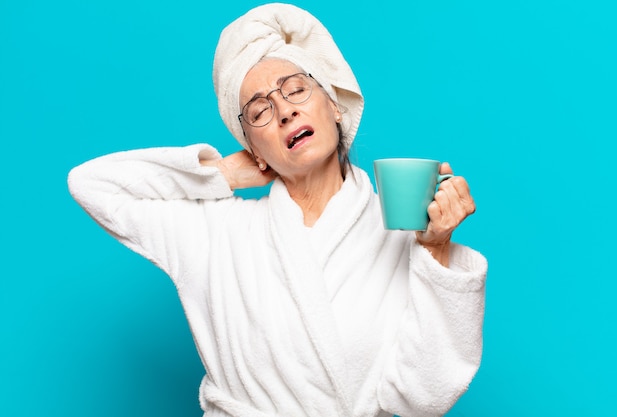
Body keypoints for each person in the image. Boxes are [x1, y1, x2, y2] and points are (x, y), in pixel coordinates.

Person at [67, 3, 487, 417]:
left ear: (335, 106)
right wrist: (223, 173)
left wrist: (435, 250)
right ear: (254, 149)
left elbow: (426, 398)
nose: (285, 110)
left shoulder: (403, 236)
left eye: (297, 88)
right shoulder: (216, 234)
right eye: (260, 110)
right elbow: (92, 185)